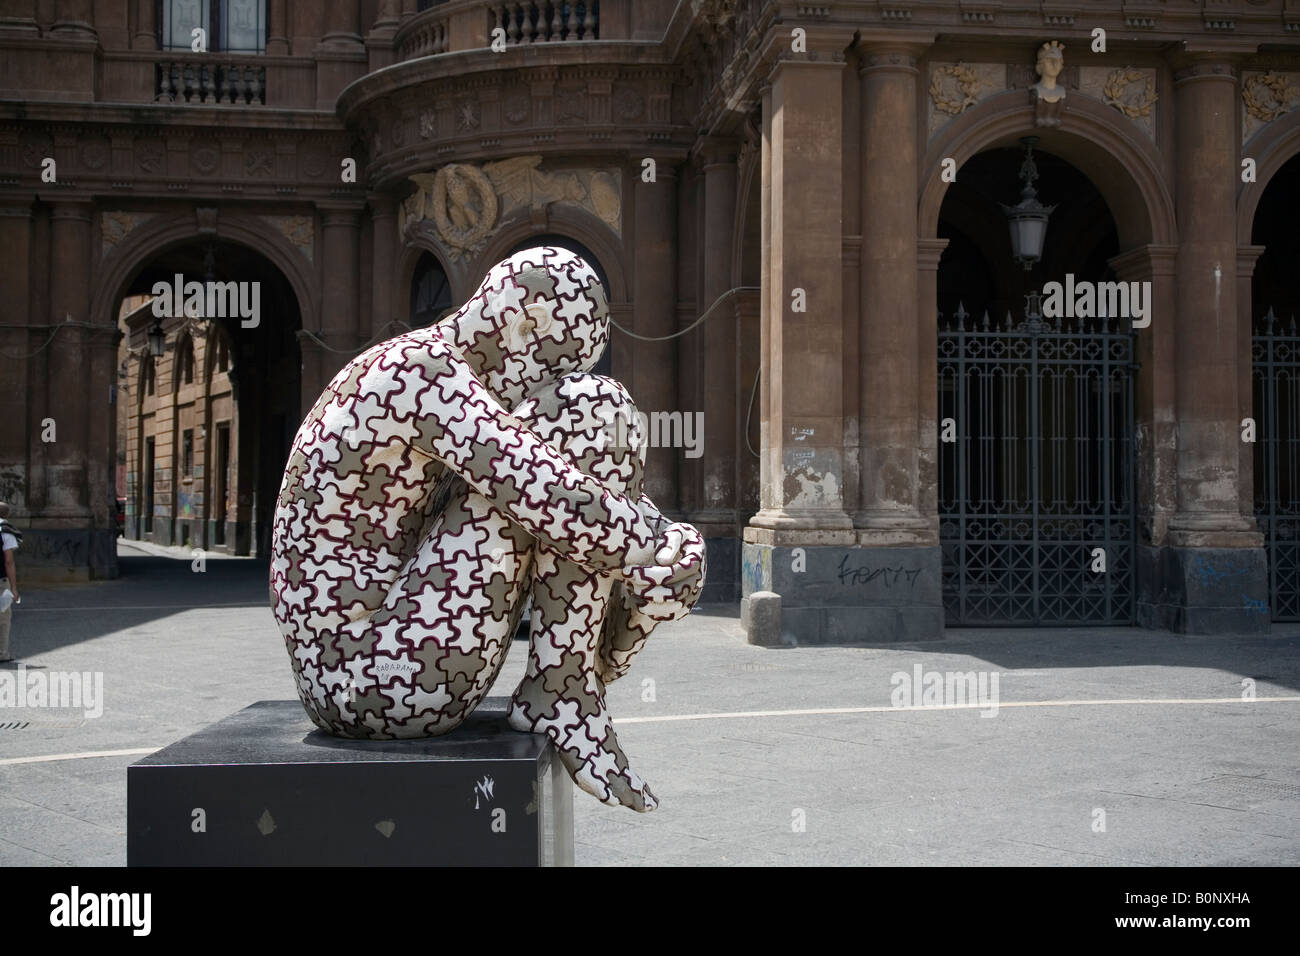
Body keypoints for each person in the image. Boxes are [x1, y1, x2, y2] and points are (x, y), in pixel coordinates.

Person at [270, 246, 705, 811]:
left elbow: (566, 490)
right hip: (372, 676)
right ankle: (562, 689)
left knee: (589, 447)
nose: (547, 390)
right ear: (524, 321)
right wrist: (659, 551)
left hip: (386, 662)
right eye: (557, 366)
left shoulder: (441, 382)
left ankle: (567, 684)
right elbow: (547, 494)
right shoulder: (419, 373)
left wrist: (663, 554)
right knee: (593, 409)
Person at [0, 501, 21, 663]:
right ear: (6, 515)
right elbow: (9, 562)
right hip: (1, 582)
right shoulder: (7, 532)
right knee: (3, 616)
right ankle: (2, 653)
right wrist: (13, 588)